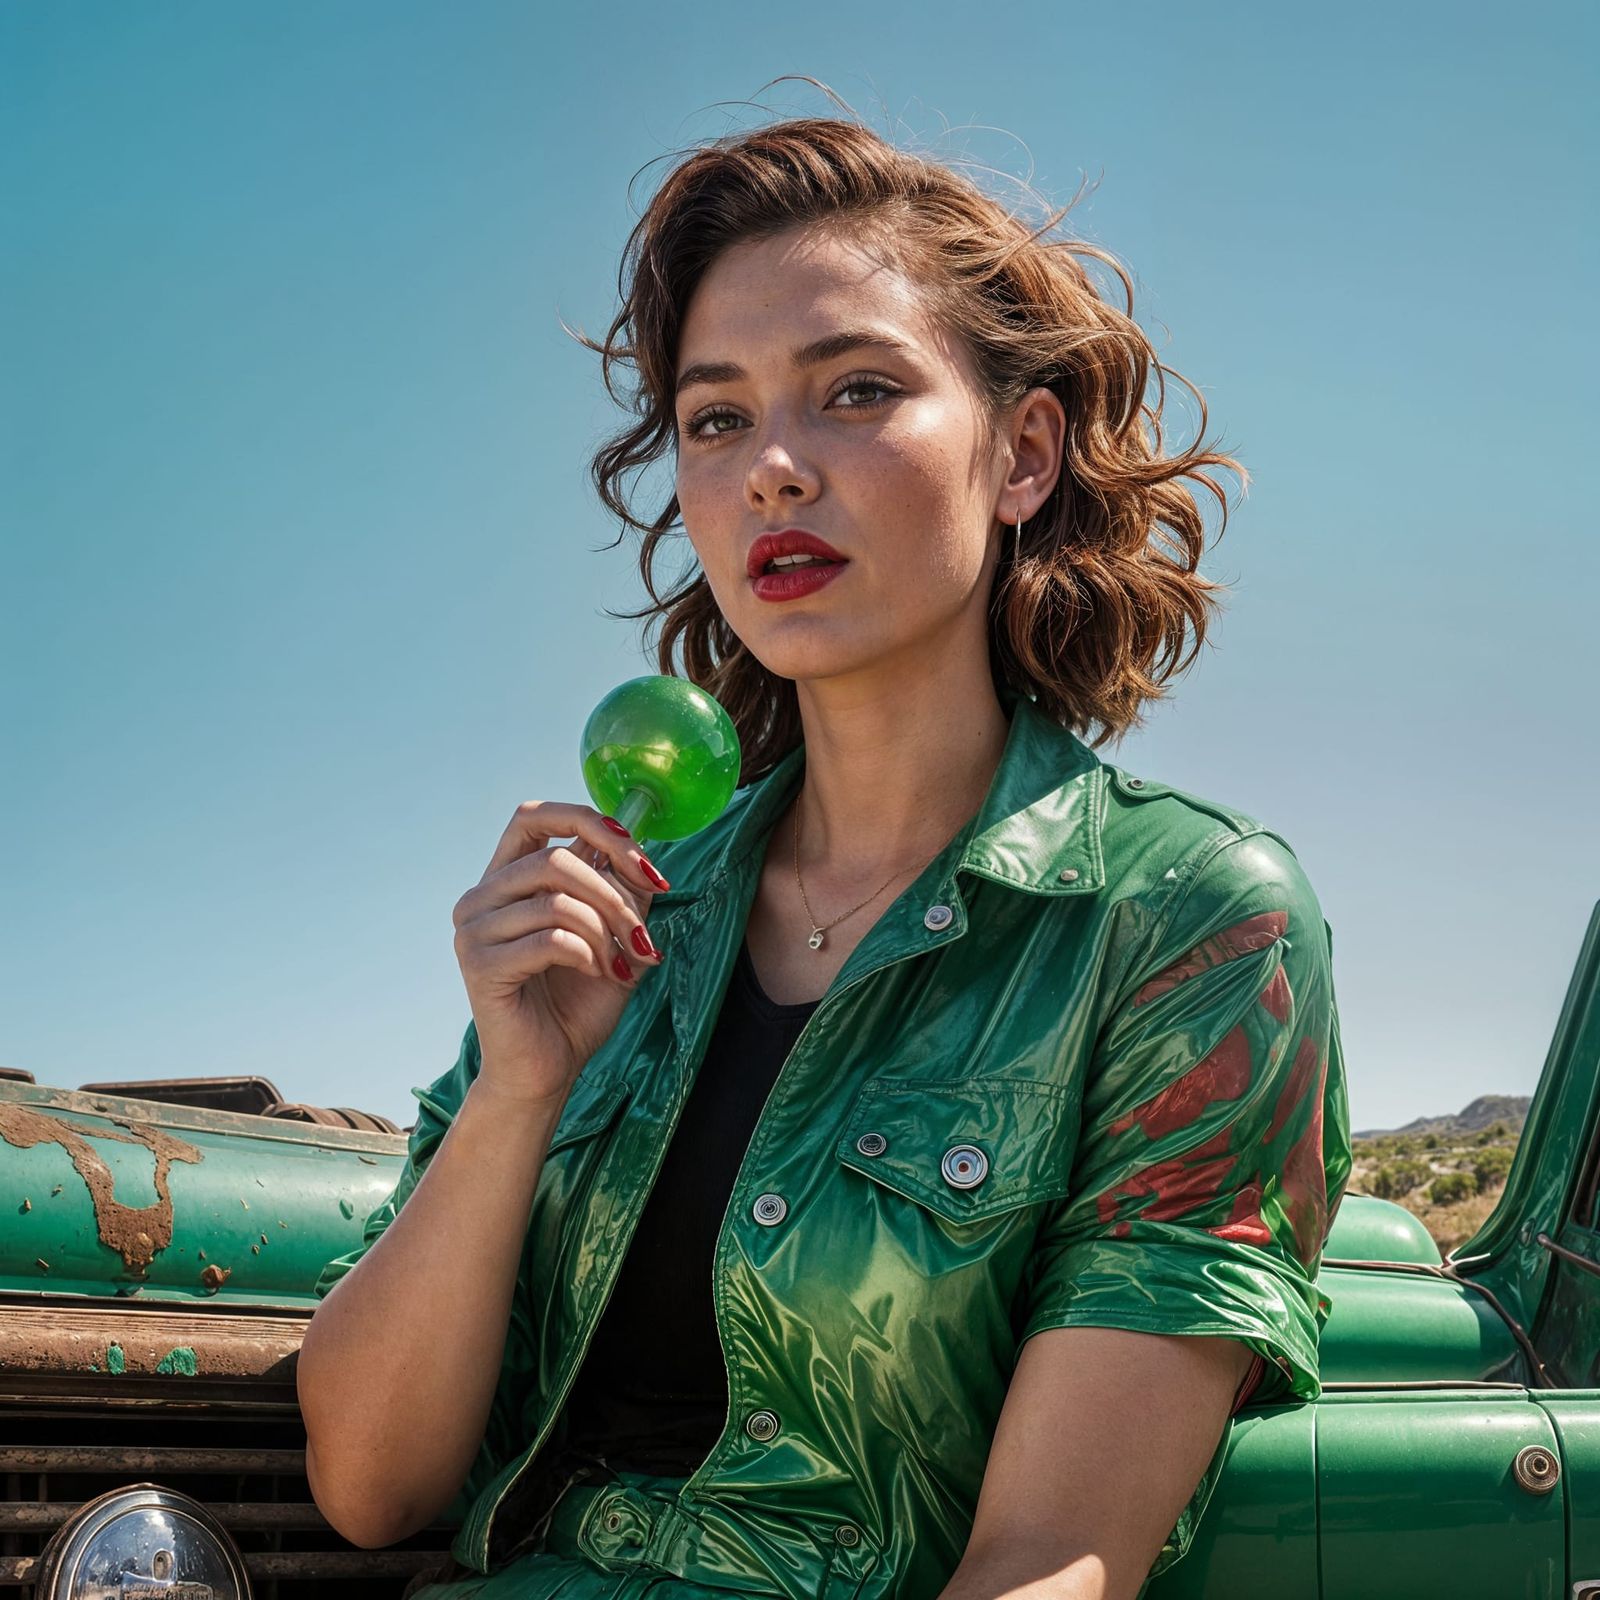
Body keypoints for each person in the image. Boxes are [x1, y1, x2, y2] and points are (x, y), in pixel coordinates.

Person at [297, 106, 1353, 1600]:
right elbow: (369, 1482)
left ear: (1023, 454)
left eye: (855, 391)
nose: (772, 469)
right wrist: (519, 1091)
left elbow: (1057, 1560)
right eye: (716, 418)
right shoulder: (617, 914)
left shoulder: (1185, 920)